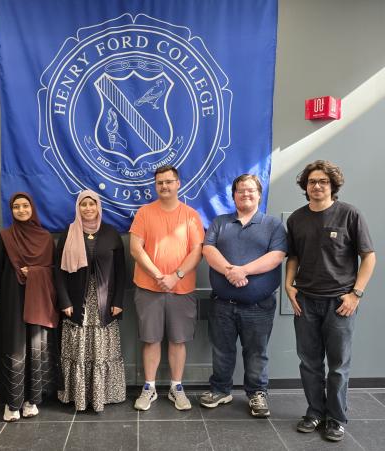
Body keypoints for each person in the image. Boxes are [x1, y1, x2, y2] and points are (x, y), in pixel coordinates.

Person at [285, 160, 376, 441]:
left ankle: (336, 419)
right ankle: (315, 412)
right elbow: (294, 256)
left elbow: (368, 256)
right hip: (306, 301)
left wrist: (356, 294)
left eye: (323, 181)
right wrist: (289, 285)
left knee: (338, 365)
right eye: (312, 181)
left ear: (333, 185)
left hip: (340, 303)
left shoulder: (350, 214)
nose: (317, 186)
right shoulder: (296, 219)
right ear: (305, 186)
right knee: (309, 362)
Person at [200, 174, 287, 417]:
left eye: (250, 190)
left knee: (256, 351)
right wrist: (230, 271)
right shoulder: (220, 222)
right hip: (222, 305)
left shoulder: (273, 225)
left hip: (258, 306)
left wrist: (243, 271)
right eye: (240, 191)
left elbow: (276, 256)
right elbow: (208, 249)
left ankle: (257, 394)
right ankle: (220, 390)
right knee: (221, 349)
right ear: (234, 195)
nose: (245, 194)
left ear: (259, 194)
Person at [130, 165, 204, 411]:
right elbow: (136, 248)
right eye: (160, 182)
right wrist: (158, 275)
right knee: (150, 340)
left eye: (169, 182)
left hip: (181, 289)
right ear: (155, 185)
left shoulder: (191, 215)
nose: (164, 186)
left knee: (178, 340)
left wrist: (176, 276)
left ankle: (176, 387)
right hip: (148, 288)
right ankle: (149, 388)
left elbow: (197, 251)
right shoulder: (144, 213)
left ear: (178, 183)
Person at [55, 190, 126, 412]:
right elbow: (57, 272)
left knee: (103, 351)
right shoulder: (68, 233)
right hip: (76, 302)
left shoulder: (111, 233)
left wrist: (118, 300)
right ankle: (78, 396)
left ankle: (102, 395)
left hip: (105, 303)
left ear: (98, 207)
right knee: (78, 350)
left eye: (92, 204)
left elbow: (121, 271)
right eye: (83, 204)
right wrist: (64, 301)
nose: (88, 208)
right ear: (78, 207)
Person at [0, 192, 59, 422]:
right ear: (11, 211)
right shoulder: (4, 237)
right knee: (14, 347)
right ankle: (12, 404)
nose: (21, 210)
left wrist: (35, 273)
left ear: (33, 208)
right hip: (13, 299)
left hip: (40, 300)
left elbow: (54, 271)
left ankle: (31, 400)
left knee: (36, 347)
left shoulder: (45, 238)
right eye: (16, 207)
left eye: (25, 206)